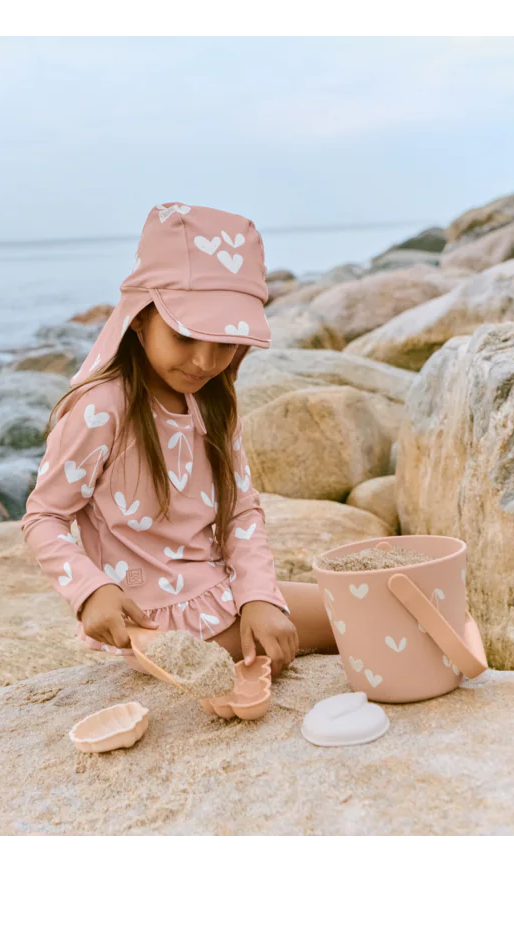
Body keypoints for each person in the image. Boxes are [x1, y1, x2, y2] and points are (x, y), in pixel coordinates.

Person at [21, 203, 334, 677]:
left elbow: (240, 511)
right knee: (357, 618)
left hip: (218, 594)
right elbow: (44, 515)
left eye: (224, 342)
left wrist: (259, 597)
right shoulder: (102, 408)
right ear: (139, 318)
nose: (205, 362)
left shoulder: (213, 403)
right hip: (154, 625)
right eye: (186, 335)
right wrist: (90, 591)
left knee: (366, 604)